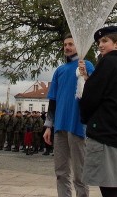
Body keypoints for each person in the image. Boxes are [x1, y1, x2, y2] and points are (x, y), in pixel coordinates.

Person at [79, 26, 117, 197]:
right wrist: (87, 78)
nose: (100, 45)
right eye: (99, 42)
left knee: (109, 188)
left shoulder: (108, 61)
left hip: (105, 135)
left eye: (104, 41)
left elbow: (92, 97)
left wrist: (86, 118)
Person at [43, 34, 95, 197]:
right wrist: (48, 126)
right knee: (61, 171)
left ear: (78, 46)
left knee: (80, 173)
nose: (67, 47)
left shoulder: (87, 65)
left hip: (78, 125)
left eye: (71, 44)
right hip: (59, 126)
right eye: (65, 44)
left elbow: (95, 92)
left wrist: (86, 75)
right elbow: (53, 100)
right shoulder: (59, 70)